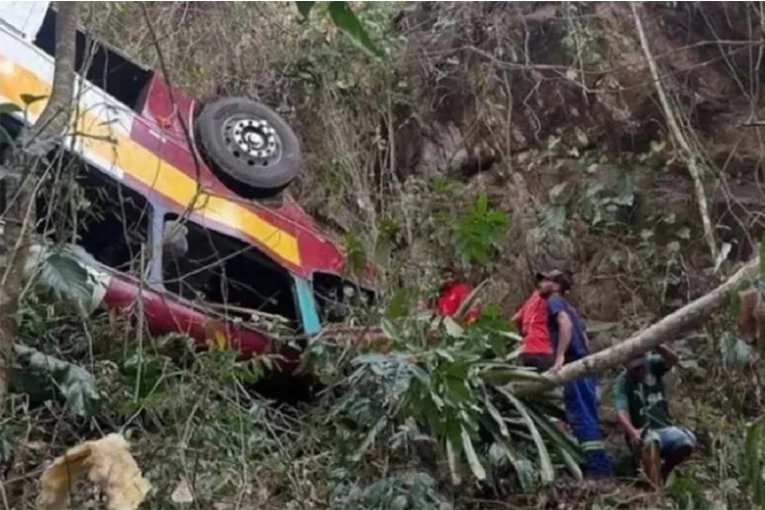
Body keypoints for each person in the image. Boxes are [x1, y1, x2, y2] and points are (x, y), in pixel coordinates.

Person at [538, 269, 612, 478]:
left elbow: (565, 324)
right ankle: (600, 466)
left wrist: (560, 356)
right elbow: (585, 338)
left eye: (546, 280)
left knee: (582, 418)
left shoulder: (555, 301)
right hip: (584, 368)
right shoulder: (571, 308)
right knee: (588, 415)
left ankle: (598, 472)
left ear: (557, 286)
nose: (541, 284)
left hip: (574, 368)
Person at [613, 345, 694, 487]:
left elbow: (673, 360)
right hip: (644, 432)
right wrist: (633, 432)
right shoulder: (623, 382)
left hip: (664, 428)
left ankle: (665, 471)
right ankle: (655, 488)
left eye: (641, 367)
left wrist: (657, 345)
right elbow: (622, 412)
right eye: (634, 370)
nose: (639, 372)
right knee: (652, 441)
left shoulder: (653, 365)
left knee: (686, 441)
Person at [512, 275, 555, 372]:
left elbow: (516, 319)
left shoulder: (533, 300)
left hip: (530, 348)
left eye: (546, 280)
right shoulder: (553, 300)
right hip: (541, 350)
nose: (543, 283)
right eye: (542, 281)